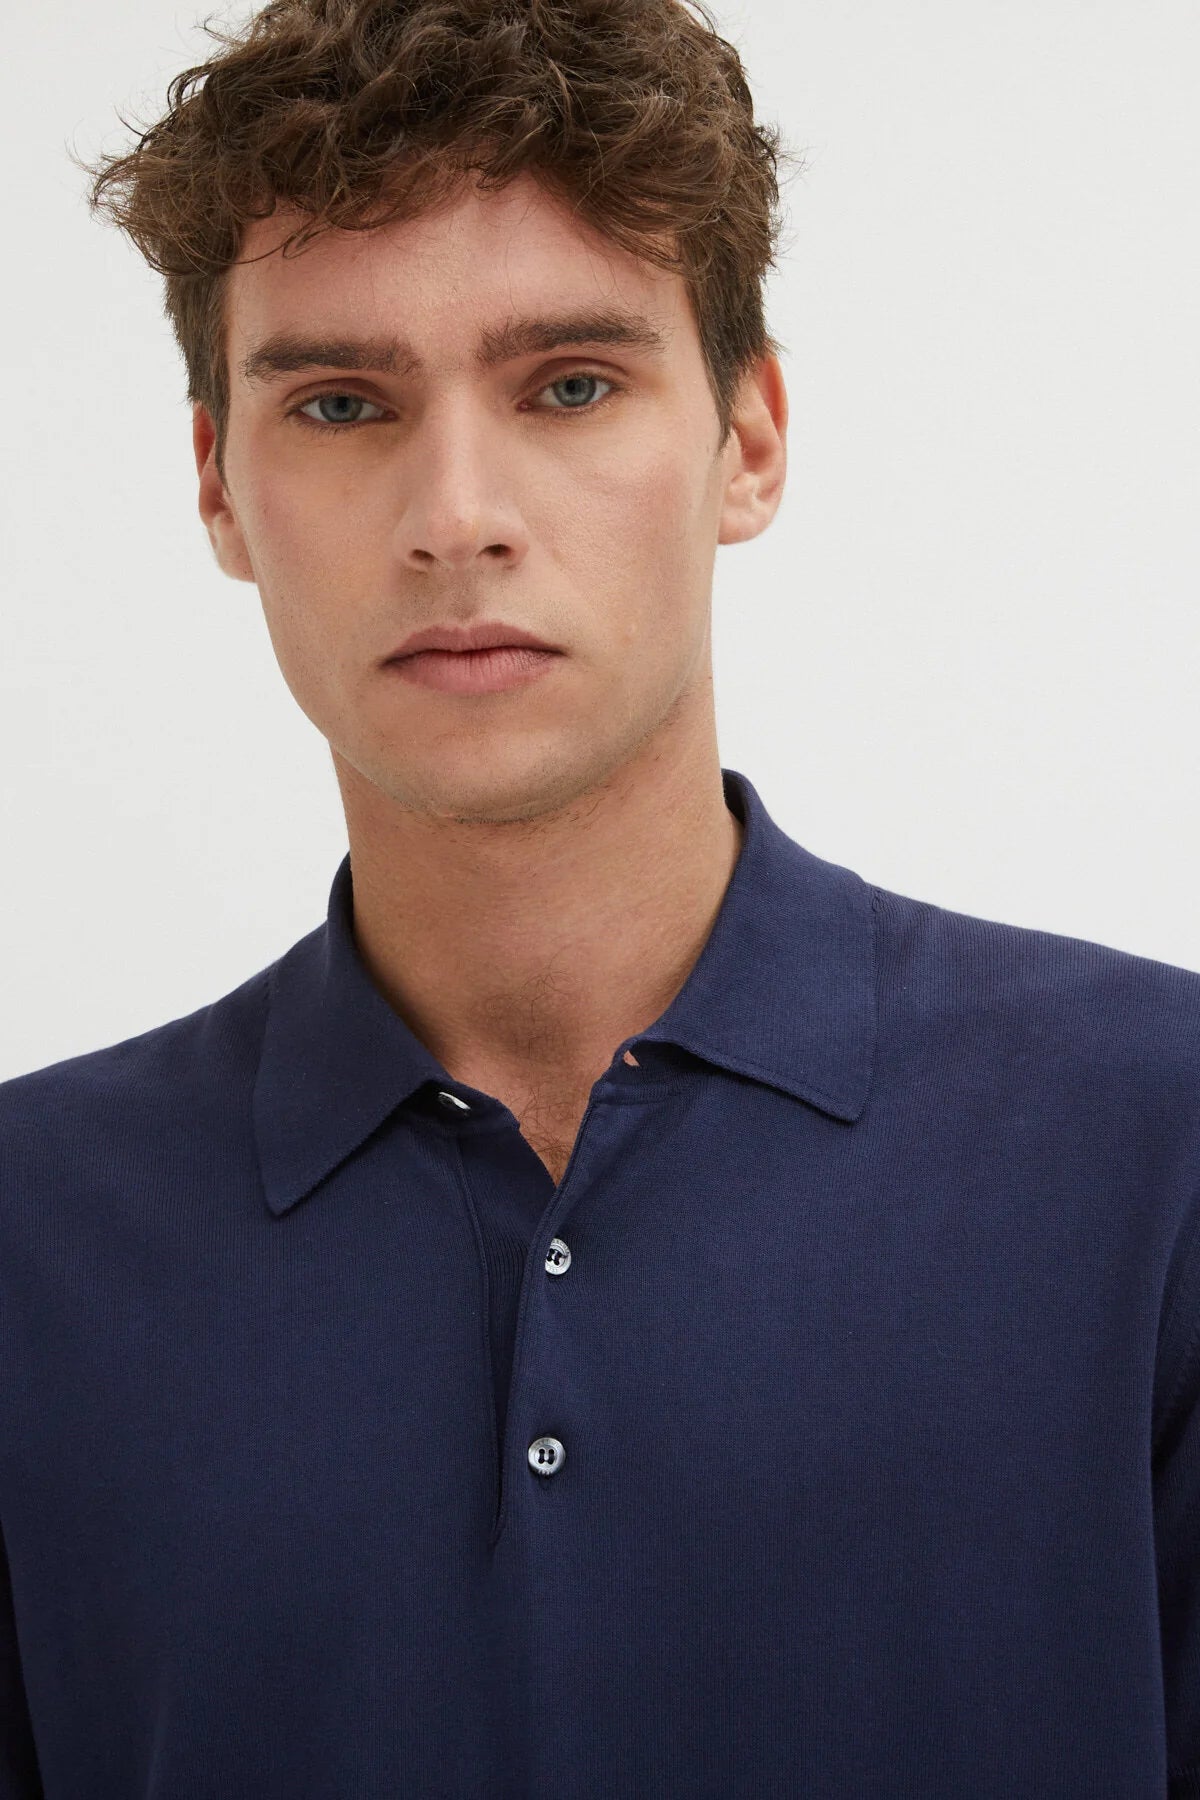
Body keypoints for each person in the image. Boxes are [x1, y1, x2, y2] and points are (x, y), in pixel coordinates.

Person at [2, 1, 1197, 1794]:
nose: (456, 515)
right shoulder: (28, 1240)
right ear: (218, 488)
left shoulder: (1159, 1146)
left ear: (750, 438)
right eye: (340, 403)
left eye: (569, 385)